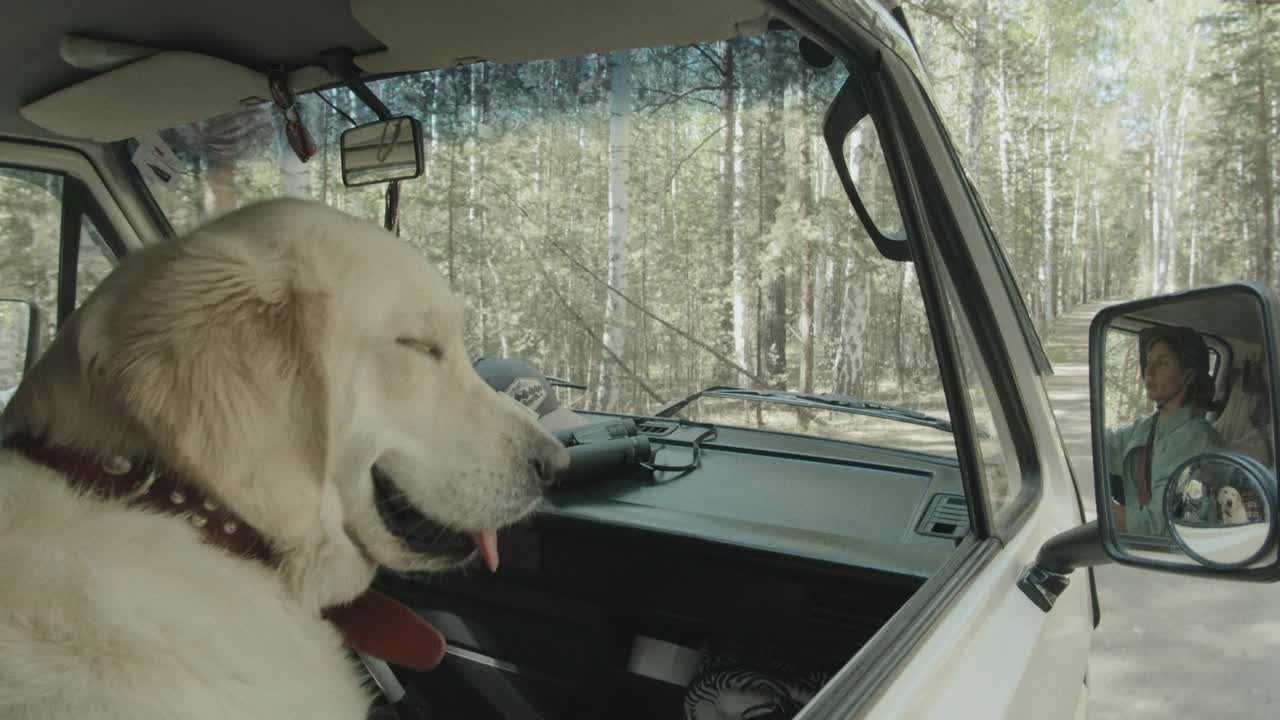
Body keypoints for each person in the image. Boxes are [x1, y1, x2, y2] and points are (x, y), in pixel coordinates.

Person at [1103, 325, 1224, 537]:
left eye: (1162, 363)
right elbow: (1102, 445)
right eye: (1148, 362)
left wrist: (1107, 512)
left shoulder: (1196, 438)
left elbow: (1161, 526)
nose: (1149, 372)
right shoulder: (1147, 426)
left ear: (1188, 375)